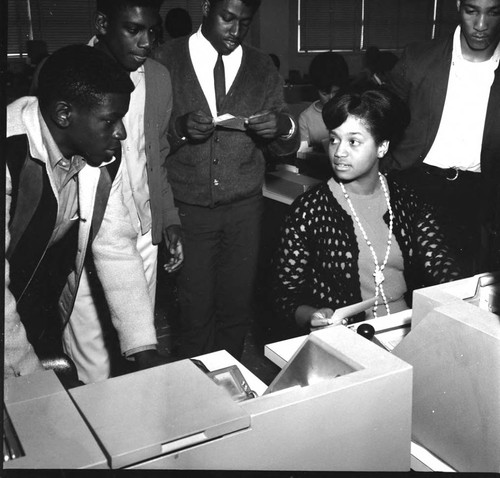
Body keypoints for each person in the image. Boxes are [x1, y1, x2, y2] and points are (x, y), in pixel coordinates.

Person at [5, 44, 164, 380]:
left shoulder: (99, 154)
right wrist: (29, 377)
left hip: (34, 296)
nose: (121, 132)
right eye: (110, 120)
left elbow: (116, 249)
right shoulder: (9, 154)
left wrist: (143, 349)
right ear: (64, 114)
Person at [153, 0, 300, 360]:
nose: (235, 31)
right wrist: (179, 129)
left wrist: (282, 127)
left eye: (244, 23)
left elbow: (286, 143)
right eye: (227, 19)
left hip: (245, 211)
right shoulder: (165, 60)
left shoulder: (262, 66)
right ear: (206, 7)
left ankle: (233, 389)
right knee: (194, 310)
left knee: (236, 308)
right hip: (189, 209)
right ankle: (198, 396)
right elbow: (147, 140)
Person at [271, 86, 463, 337]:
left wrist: (463, 295)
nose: (339, 152)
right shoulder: (309, 211)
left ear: (382, 147)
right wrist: (313, 315)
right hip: (349, 336)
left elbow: (440, 264)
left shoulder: (408, 202)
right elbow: (284, 296)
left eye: (353, 141)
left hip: (411, 328)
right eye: (334, 139)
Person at [61, 0, 183, 383]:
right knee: (91, 360)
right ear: (102, 24)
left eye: (152, 31)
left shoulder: (159, 77)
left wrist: (170, 218)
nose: (147, 42)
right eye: (133, 30)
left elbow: (156, 155)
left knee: (138, 342)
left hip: (142, 229)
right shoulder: (69, 73)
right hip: (83, 232)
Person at [383, 0, 500, 273]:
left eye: (494, 13)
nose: (481, 25)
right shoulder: (418, 58)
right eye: (472, 11)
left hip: (477, 198)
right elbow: (381, 117)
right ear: (458, 5)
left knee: (459, 293)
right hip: (414, 183)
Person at [299, 52, 349, 152]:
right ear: (316, 89)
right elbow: (302, 153)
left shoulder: (350, 111)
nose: (331, 98)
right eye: (325, 93)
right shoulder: (306, 118)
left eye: (335, 92)